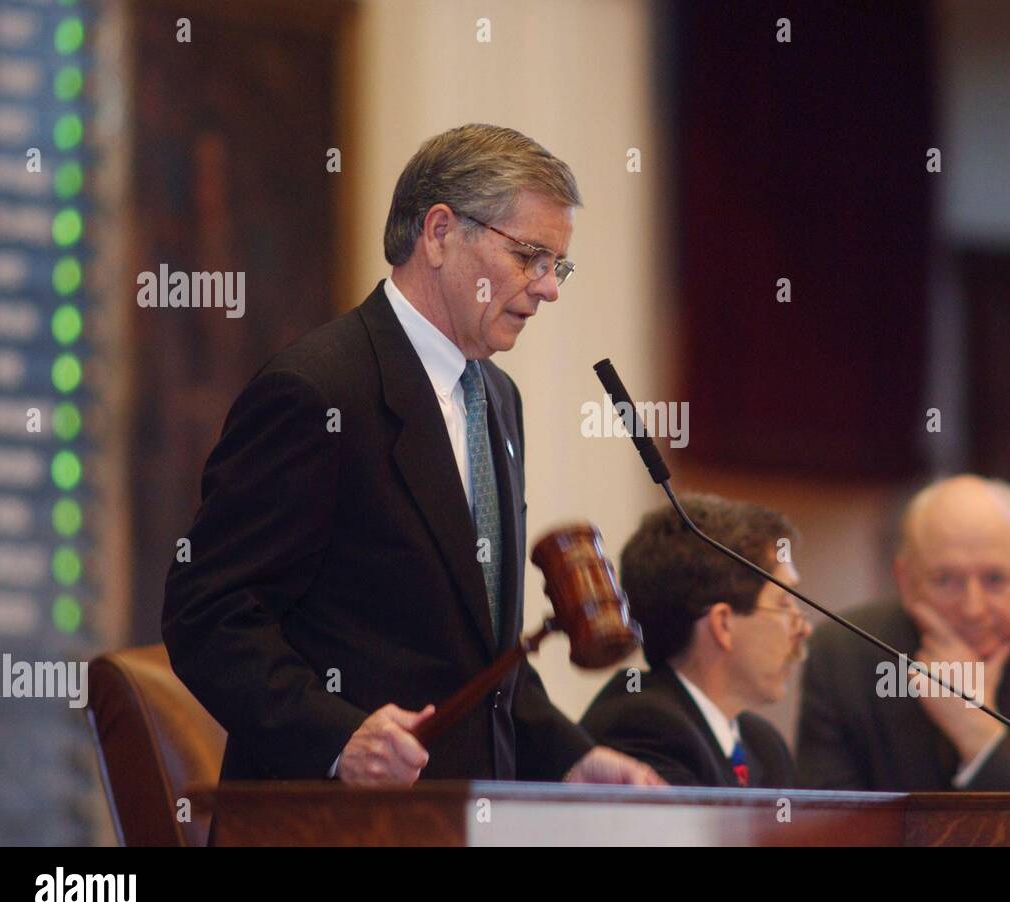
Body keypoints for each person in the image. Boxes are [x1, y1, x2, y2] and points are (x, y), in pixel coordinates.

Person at [162, 124, 660, 787]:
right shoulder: (318, 390)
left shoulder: (497, 399)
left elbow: (478, 652)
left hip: (464, 816)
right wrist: (338, 737)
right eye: (532, 256)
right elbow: (208, 613)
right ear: (439, 233)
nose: (549, 289)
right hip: (330, 825)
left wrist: (573, 757)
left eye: (556, 265)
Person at [797, 475, 1010, 792]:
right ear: (904, 580)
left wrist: (978, 733)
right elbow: (824, 832)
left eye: (995, 580)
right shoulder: (840, 654)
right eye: (946, 580)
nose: (973, 609)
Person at [582, 495, 810, 787]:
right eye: (784, 603)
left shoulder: (763, 745)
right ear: (723, 624)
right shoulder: (644, 726)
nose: (804, 629)